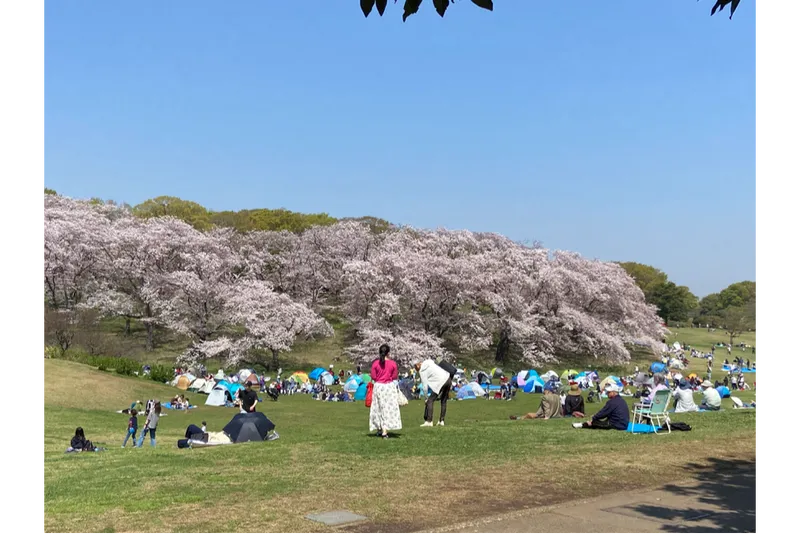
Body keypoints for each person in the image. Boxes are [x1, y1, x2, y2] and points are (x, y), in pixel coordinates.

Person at [369, 344, 402, 439]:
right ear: (388, 353)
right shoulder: (393, 364)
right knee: (388, 409)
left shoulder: (375, 363)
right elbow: (395, 376)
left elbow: (374, 377)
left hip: (379, 386)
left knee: (378, 408)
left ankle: (379, 429)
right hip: (389, 387)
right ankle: (385, 430)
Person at [414, 358, 453, 427]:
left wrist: (426, 398)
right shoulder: (429, 362)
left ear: (417, 366)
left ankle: (429, 421)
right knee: (443, 401)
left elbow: (425, 386)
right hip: (448, 378)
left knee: (430, 401)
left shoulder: (422, 371)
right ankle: (441, 421)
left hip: (440, 382)